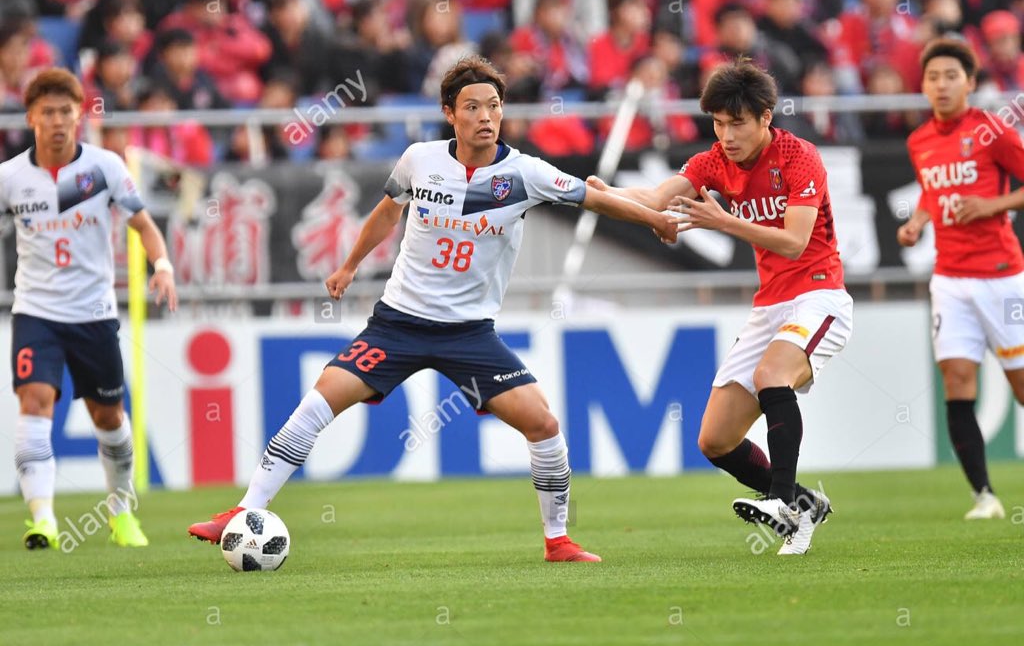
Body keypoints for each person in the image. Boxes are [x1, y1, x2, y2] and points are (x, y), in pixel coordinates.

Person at [188, 55, 680, 562]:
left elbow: (595, 200)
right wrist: (350, 265)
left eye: (494, 106)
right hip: (398, 324)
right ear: (449, 112)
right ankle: (243, 510)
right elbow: (387, 212)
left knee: (543, 425)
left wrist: (653, 220)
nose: (486, 116)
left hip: (469, 334)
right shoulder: (419, 160)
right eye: (473, 107)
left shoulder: (525, 173)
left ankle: (558, 540)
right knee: (318, 402)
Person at [588, 59, 852, 555]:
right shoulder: (713, 161)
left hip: (819, 296)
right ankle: (804, 503)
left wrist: (724, 222)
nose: (726, 135)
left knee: (771, 376)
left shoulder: (800, 157)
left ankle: (783, 505)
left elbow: (794, 241)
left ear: (766, 117)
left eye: (737, 123)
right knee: (715, 440)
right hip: (770, 306)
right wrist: (606, 193)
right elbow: (658, 198)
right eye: (718, 123)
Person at [0, 68, 178, 549]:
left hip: (94, 313)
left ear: (79, 115)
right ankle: (43, 520)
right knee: (34, 401)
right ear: (31, 117)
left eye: (66, 112)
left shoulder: (104, 168)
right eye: (48, 112)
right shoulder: (11, 177)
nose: (58, 121)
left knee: (109, 417)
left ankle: (121, 513)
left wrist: (162, 266)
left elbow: (144, 225)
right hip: (36, 312)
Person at [897, 37, 1024, 520]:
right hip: (949, 280)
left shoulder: (991, 131)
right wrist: (918, 222)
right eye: (933, 77)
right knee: (956, 380)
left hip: (1001, 277)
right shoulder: (919, 141)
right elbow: (931, 192)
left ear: (970, 82)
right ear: (924, 85)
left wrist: (993, 205)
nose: (942, 85)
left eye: (951, 76)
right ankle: (984, 497)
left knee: (1021, 386)